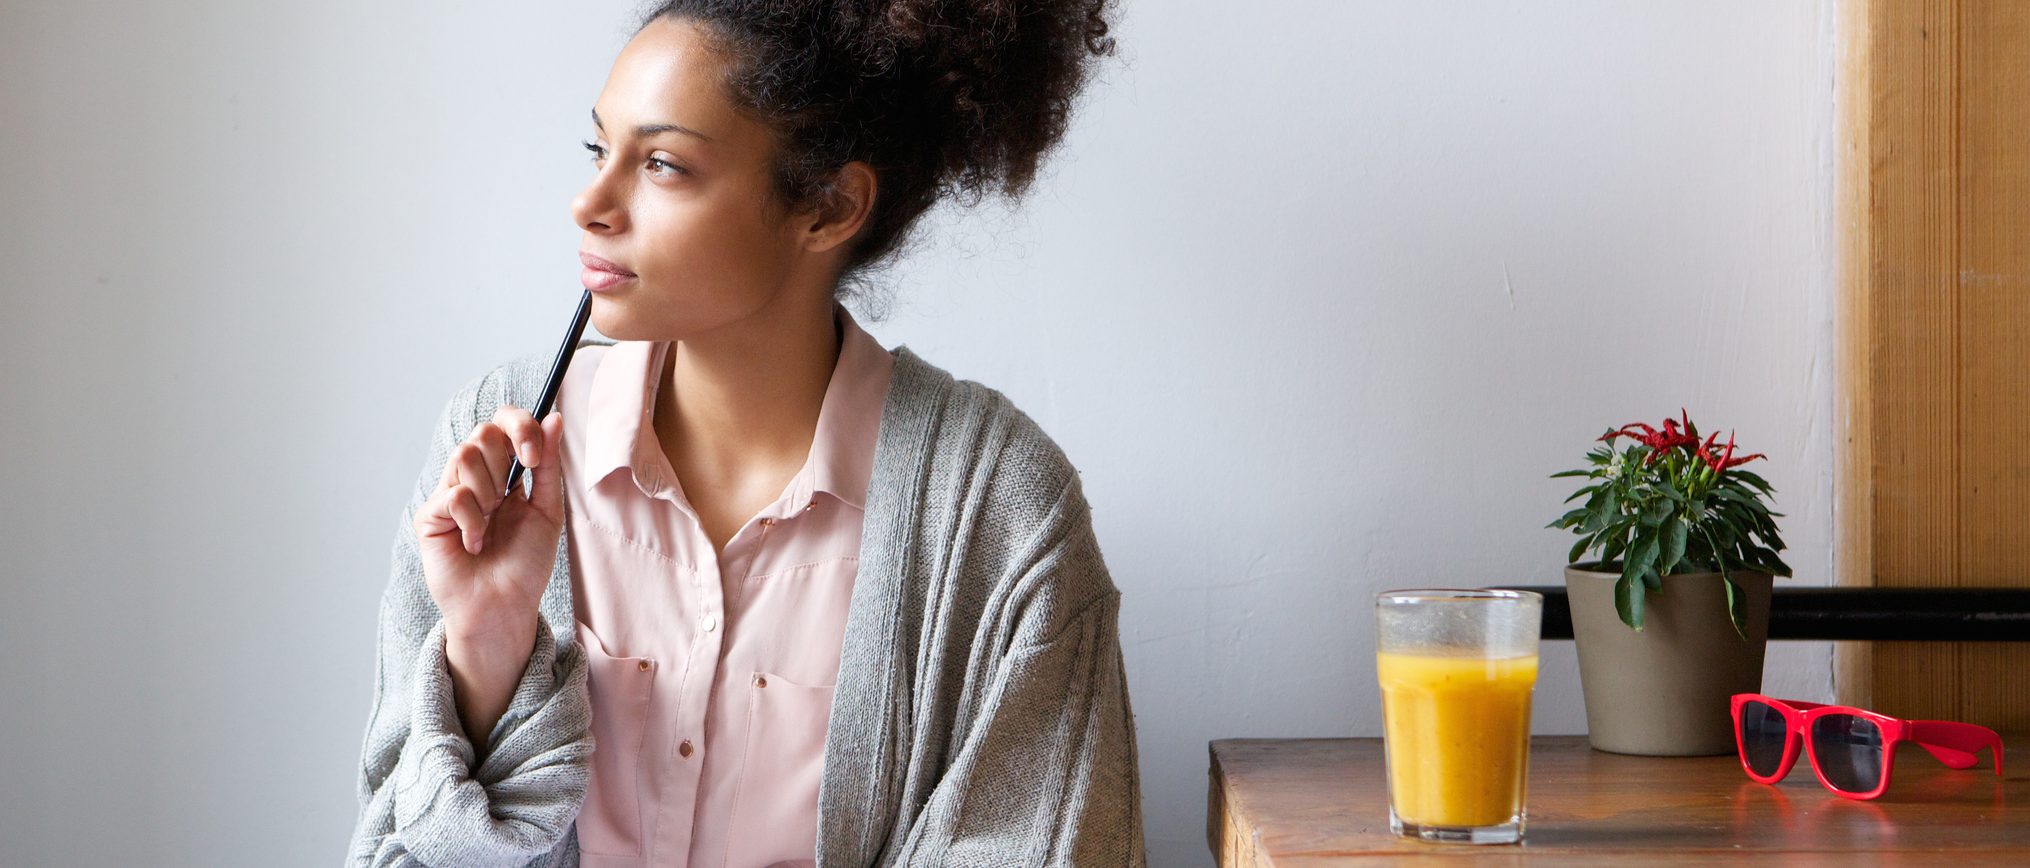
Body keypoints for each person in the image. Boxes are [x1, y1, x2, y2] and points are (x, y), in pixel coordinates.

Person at [345, 2, 1142, 866]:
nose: (591, 203)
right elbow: (395, 849)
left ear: (830, 207)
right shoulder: (497, 447)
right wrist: (488, 661)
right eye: (597, 150)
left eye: (661, 164)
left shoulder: (1000, 513)